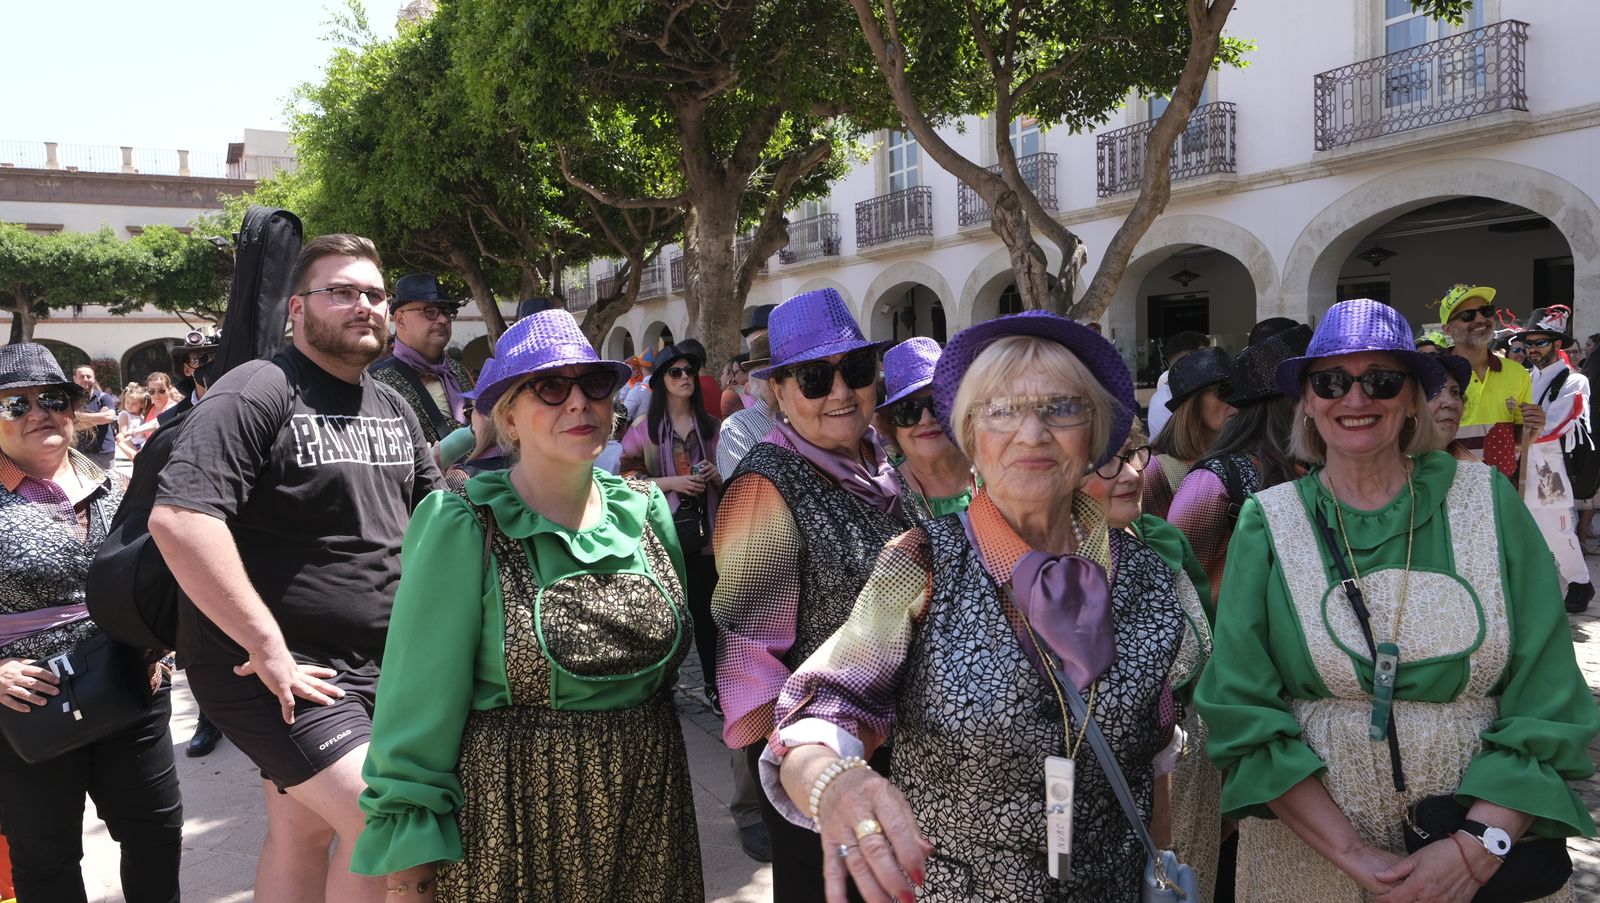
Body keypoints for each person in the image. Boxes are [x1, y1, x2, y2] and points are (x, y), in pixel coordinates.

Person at [768, 311, 1190, 901]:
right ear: (969, 433)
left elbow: (1157, 750)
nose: (1032, 433)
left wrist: (1160, 867)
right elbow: (826, 708)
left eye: (1061, 407)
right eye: (1001, 410)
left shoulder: (1143, 574)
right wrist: (834, 782)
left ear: (1095, 434)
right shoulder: (921, 562)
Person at [1197, 298, 1599, 902]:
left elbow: (1547, 696)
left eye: (1381, 381)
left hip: (1480, 854)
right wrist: (1356, 856)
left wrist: (1471, 851)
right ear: (1306, 399)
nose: (1355, 400)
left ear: (1412, 396)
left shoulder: (1487, 501)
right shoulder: (1268, 521)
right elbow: (1239, 708)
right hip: (1310, 862)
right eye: (1331, 381)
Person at [353, 309, 703, 901]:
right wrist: (409, 872)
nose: (578, 404)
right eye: (549, 387)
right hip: (516, 820)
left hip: (651, 809)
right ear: (509, 417)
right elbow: (415, 703)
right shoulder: (464, 524)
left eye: (593, 385)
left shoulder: (648, 512)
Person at [148, 233, 443, 902]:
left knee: (304, 831)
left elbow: (438, 520)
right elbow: (182, 519)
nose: (362, 304)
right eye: (340, 291)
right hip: (280, 672)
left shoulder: (392, 404)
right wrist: (267, 645)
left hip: (382, 665)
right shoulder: (256, 391)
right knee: (402, 839)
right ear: (297, 310)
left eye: (373, 293)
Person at [713, 287, 909, 900]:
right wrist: (806, 772)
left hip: (899, 749)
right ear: (778, 391)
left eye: (854, 370)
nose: (841, 392)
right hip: (821, 764)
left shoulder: (881, 466)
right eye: (814, 379)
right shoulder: (764, 486)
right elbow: (750, 659)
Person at [0, 343, 183, 903]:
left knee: (155, 834)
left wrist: (161, 646)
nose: (39, 412)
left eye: (53, 398)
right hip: (29, 703)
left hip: (131, 686)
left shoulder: (110, 481)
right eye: (15, 404)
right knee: (46, 856)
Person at [1083, 428, 1219, 901]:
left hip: (1181, 766)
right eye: (1108, 461)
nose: (1133, 473)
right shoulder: (1016, 576)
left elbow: (1200, 654)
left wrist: (1165, 844)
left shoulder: (1156, 546)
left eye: (1133, 456)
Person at [1168, 323, 1311, 603]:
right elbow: (1179, 587)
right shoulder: (1211, 481)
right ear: (1288, 404)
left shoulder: (1312, 468)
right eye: (1310, 392)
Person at [619, 342, 723, 710]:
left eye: (689, 371)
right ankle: (658, 685)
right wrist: (673, 483)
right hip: (664, 536)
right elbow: (628, 481)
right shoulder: (644, 429)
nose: (685, 378)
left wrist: (715, 473)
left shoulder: (711, 428)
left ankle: (714, 685)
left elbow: (731, 478)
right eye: (675, 372)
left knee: (709, 614)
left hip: (708, 535)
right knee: (663, 615)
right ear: (661, 380)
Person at [1519, 305, 1595, 613]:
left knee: (1558, 531)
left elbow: (1556, 423)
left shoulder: (1575, 382)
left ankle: (1580, 582)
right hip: (1519, 465)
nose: (1532, 349)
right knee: (1524, 531)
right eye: (1528, 343)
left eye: (1540, 342)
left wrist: (1520, 429)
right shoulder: (1523, 378)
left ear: (1557, 344)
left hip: (1550, 468)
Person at [1438, 284, 1534, 477]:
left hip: (1502, 488)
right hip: (1447, 487)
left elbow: (1519, 440)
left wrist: (1535, 428)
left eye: (1486, 311)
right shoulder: (1433, 375)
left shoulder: (1517, 373)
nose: (1481, 319)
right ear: (1447, 329)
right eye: (1468, 315)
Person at [368, 272, 475, 446]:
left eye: (447, 312)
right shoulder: (377, 380)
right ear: (400, 320)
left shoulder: (457, 370)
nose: (442, 320)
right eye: (430, 311)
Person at [875, 337, 975, 521]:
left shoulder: (996, 474)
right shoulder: (883, 498)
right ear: (891, 424)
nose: (926, 420)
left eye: (937, 405)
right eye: (907, 411)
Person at [1145, 346, 1233, 519]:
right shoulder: (1156, 470)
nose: (1236, 400)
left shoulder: (1246, 457)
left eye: (1239, 389)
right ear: (1192, 403)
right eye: (1224, 389)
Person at [716, 333, 777, 479]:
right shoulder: (737, 427)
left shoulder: (804, 418)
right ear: (755, 379)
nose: (781, 382)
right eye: (771, 374)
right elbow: (749, 491)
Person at [1146, 330, 1211, 437]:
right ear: (1189, 359)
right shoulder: (1173, 397)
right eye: (1205, 358)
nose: (1209, 364)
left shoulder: (1180, 389)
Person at [71, 364, 118, 470]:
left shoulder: (104, 398)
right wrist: (99, 417)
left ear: (94, 378)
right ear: (75, 379)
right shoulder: (71, 401)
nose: (85, 379)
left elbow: (108, 417)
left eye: (89, 376)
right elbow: (70, 423)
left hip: (104, 452)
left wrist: (78, 417)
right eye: (81, 377)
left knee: (108, 484)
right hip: (79, 453)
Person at [1429, 353, 1475, 462]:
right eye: (1433, 392)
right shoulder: (1387, 471)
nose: (1451, 403)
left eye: (1454, 392)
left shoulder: (1486, 476)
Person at [113, 385, 151, 477]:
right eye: (128, 402)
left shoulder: (142, 416)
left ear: (142, 404)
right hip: (131, 444)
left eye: (134, 403)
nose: (129, 406)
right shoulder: (125, 415)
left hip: (142, 443)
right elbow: (123, 433)